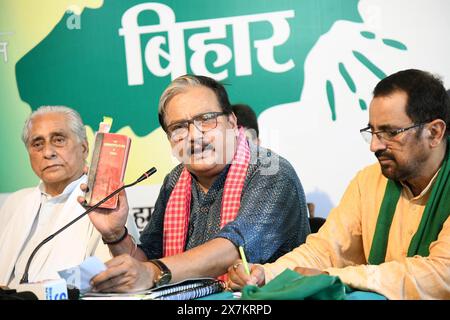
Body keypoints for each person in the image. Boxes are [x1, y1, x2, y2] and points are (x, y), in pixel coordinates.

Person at [227, 69, 450, 300]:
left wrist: (332, 276)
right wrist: (266, 274)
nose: (374, 146)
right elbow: (325, 250)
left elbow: (441, 274)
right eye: (372, 131)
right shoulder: (368, 181)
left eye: (391, 132)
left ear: (434, 133)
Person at [83, 74, 310, 293]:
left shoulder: (270, 171)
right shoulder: (174, 181)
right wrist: (115, 235)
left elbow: (233, 249)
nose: (194, 136)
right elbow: (146, 263)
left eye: (206, 119)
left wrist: (152, 271)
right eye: (179, 127)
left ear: (231, 122)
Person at [0, 106, 138, 288]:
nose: (48, 152)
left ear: (84, 147)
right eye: (37, 144)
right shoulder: (15, 203)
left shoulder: (105, 204)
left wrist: (40, 291)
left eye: (58, 140)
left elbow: (110, 273)